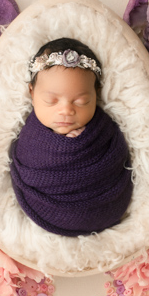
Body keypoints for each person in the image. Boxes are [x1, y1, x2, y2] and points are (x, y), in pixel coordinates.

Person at [9, 39, 133, 236]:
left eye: (81, 101)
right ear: (32, 93)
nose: (66, 110)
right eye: (51, 100)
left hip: (104, 205)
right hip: (47, 208)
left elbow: (118, 157)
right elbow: (25, 165)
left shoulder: (103, 128)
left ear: (96, 94)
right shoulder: (29, 136)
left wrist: (84, 142)